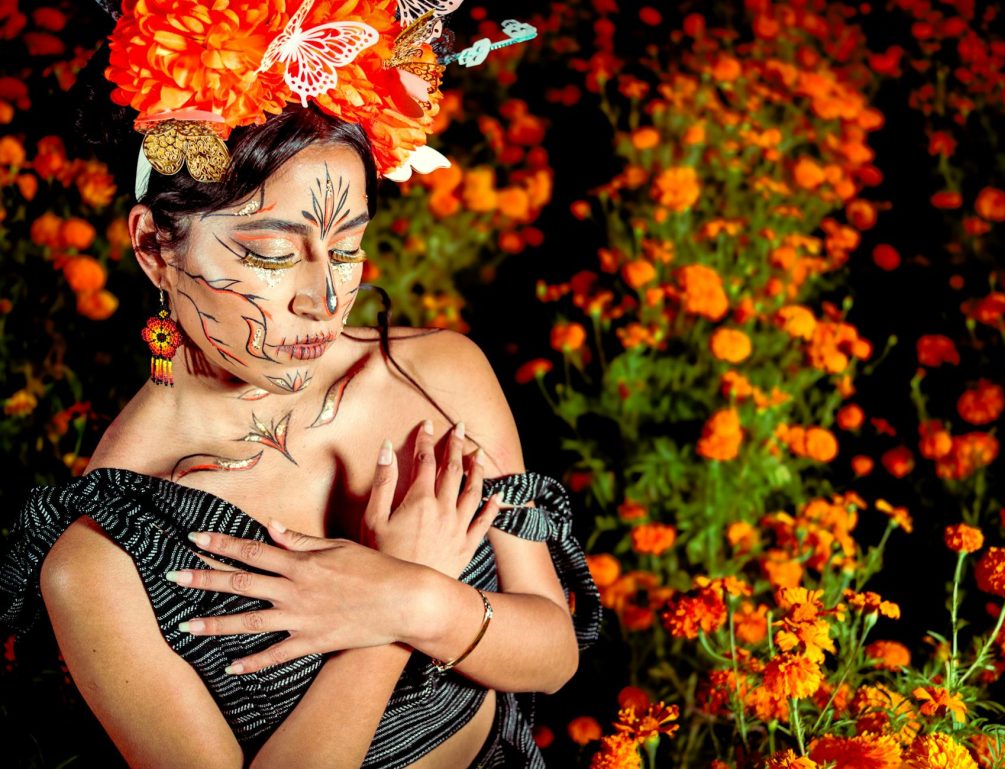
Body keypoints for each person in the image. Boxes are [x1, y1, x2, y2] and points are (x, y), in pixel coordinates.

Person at [0, 2, 599, 768]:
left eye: (346, 247)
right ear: (155, 246)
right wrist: (387, 613)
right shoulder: (100, 561)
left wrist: (413, 596)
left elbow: (552, 651)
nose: (323, 297)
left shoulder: (437, 375)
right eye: (273, 254)